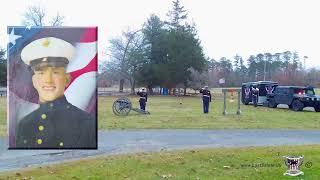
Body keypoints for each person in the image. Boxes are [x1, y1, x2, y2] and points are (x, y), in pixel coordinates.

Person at [15, 37, 96, 148]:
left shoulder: (87, 123)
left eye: (55, 72)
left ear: (67, 79)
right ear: (34, 81)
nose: (48, 80)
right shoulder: (25, 124)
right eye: (41, 73)